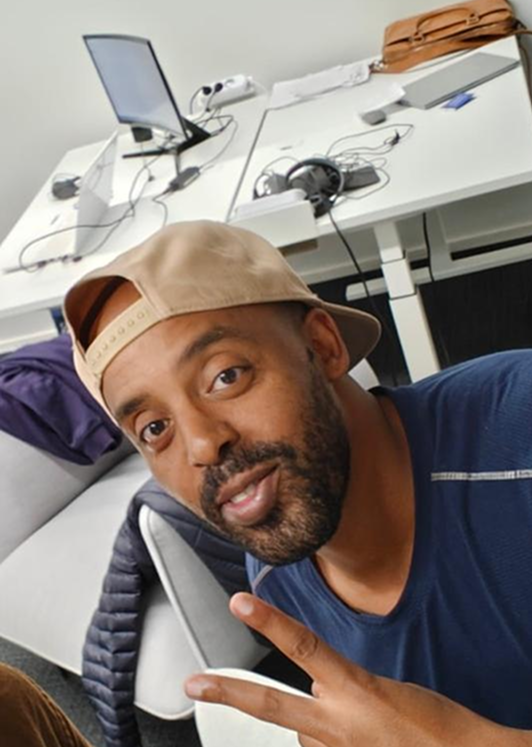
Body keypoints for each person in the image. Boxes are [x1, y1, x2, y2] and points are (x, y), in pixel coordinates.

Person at [3, 219, 532, 746]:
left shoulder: (519, 437)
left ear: (323, 345)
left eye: (226, 376)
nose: (202, 445)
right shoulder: (276, 574)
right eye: (155, 429)